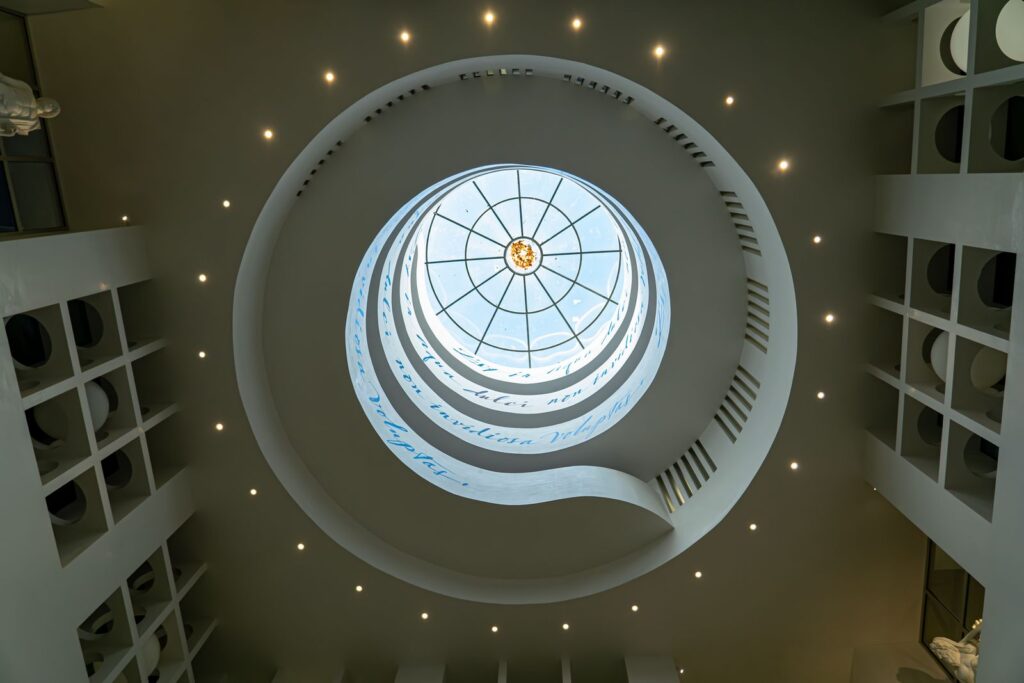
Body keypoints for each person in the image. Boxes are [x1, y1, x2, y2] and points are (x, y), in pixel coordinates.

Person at [0, 72, 60, 137]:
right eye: (52, 103)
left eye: (53, 108)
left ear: (48, 114)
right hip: (5, 92)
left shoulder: (32, 123)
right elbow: (10, 81)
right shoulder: (28, 90)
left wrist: (9, 132)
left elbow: (13, 129)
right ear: (44, 99)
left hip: (5, 110)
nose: (51, 105)